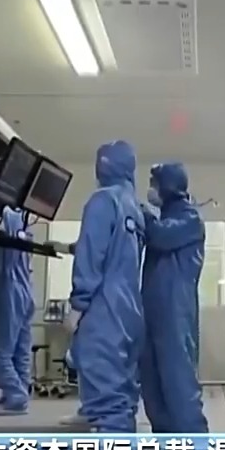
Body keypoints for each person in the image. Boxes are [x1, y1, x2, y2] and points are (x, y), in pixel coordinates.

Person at [68, 140, 147, 433]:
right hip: (129, 309)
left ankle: (113, 444)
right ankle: (113, 429)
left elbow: (92, 254)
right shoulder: (134, 207)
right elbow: (119, 252)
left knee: (101, 375)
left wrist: (78, 304)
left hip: (104, 308)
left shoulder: (102, 200)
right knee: (122, 383)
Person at [139, 162, 208, 434]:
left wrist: (143, 214)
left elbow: (160, 236)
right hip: (154, 312)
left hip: (175, 312)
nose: (151, 189)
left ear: (167, 186)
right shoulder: (164, 217)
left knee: (178, 382)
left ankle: (196, 446)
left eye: (154, 183)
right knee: (153, 383)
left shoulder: (190, 219)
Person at [0, 196, 35, 415]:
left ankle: (15, 395)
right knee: (20, 350)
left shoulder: (1, 216)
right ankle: (21, 392)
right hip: (26, 289)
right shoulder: (22, 218)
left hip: (7, 288)